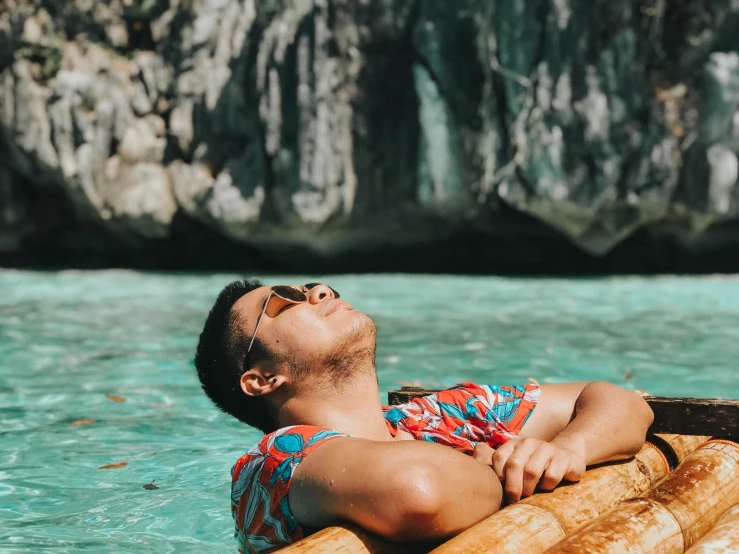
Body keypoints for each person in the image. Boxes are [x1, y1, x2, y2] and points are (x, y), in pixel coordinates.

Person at [194, 281, 654, 554]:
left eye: (313, 286)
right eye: (282, 302)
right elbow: (419, 491)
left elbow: (620, 402)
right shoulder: (271, 466)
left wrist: (566, 449)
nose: (320, 290)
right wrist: (503, 465)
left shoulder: (429, 416)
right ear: (261, 379)